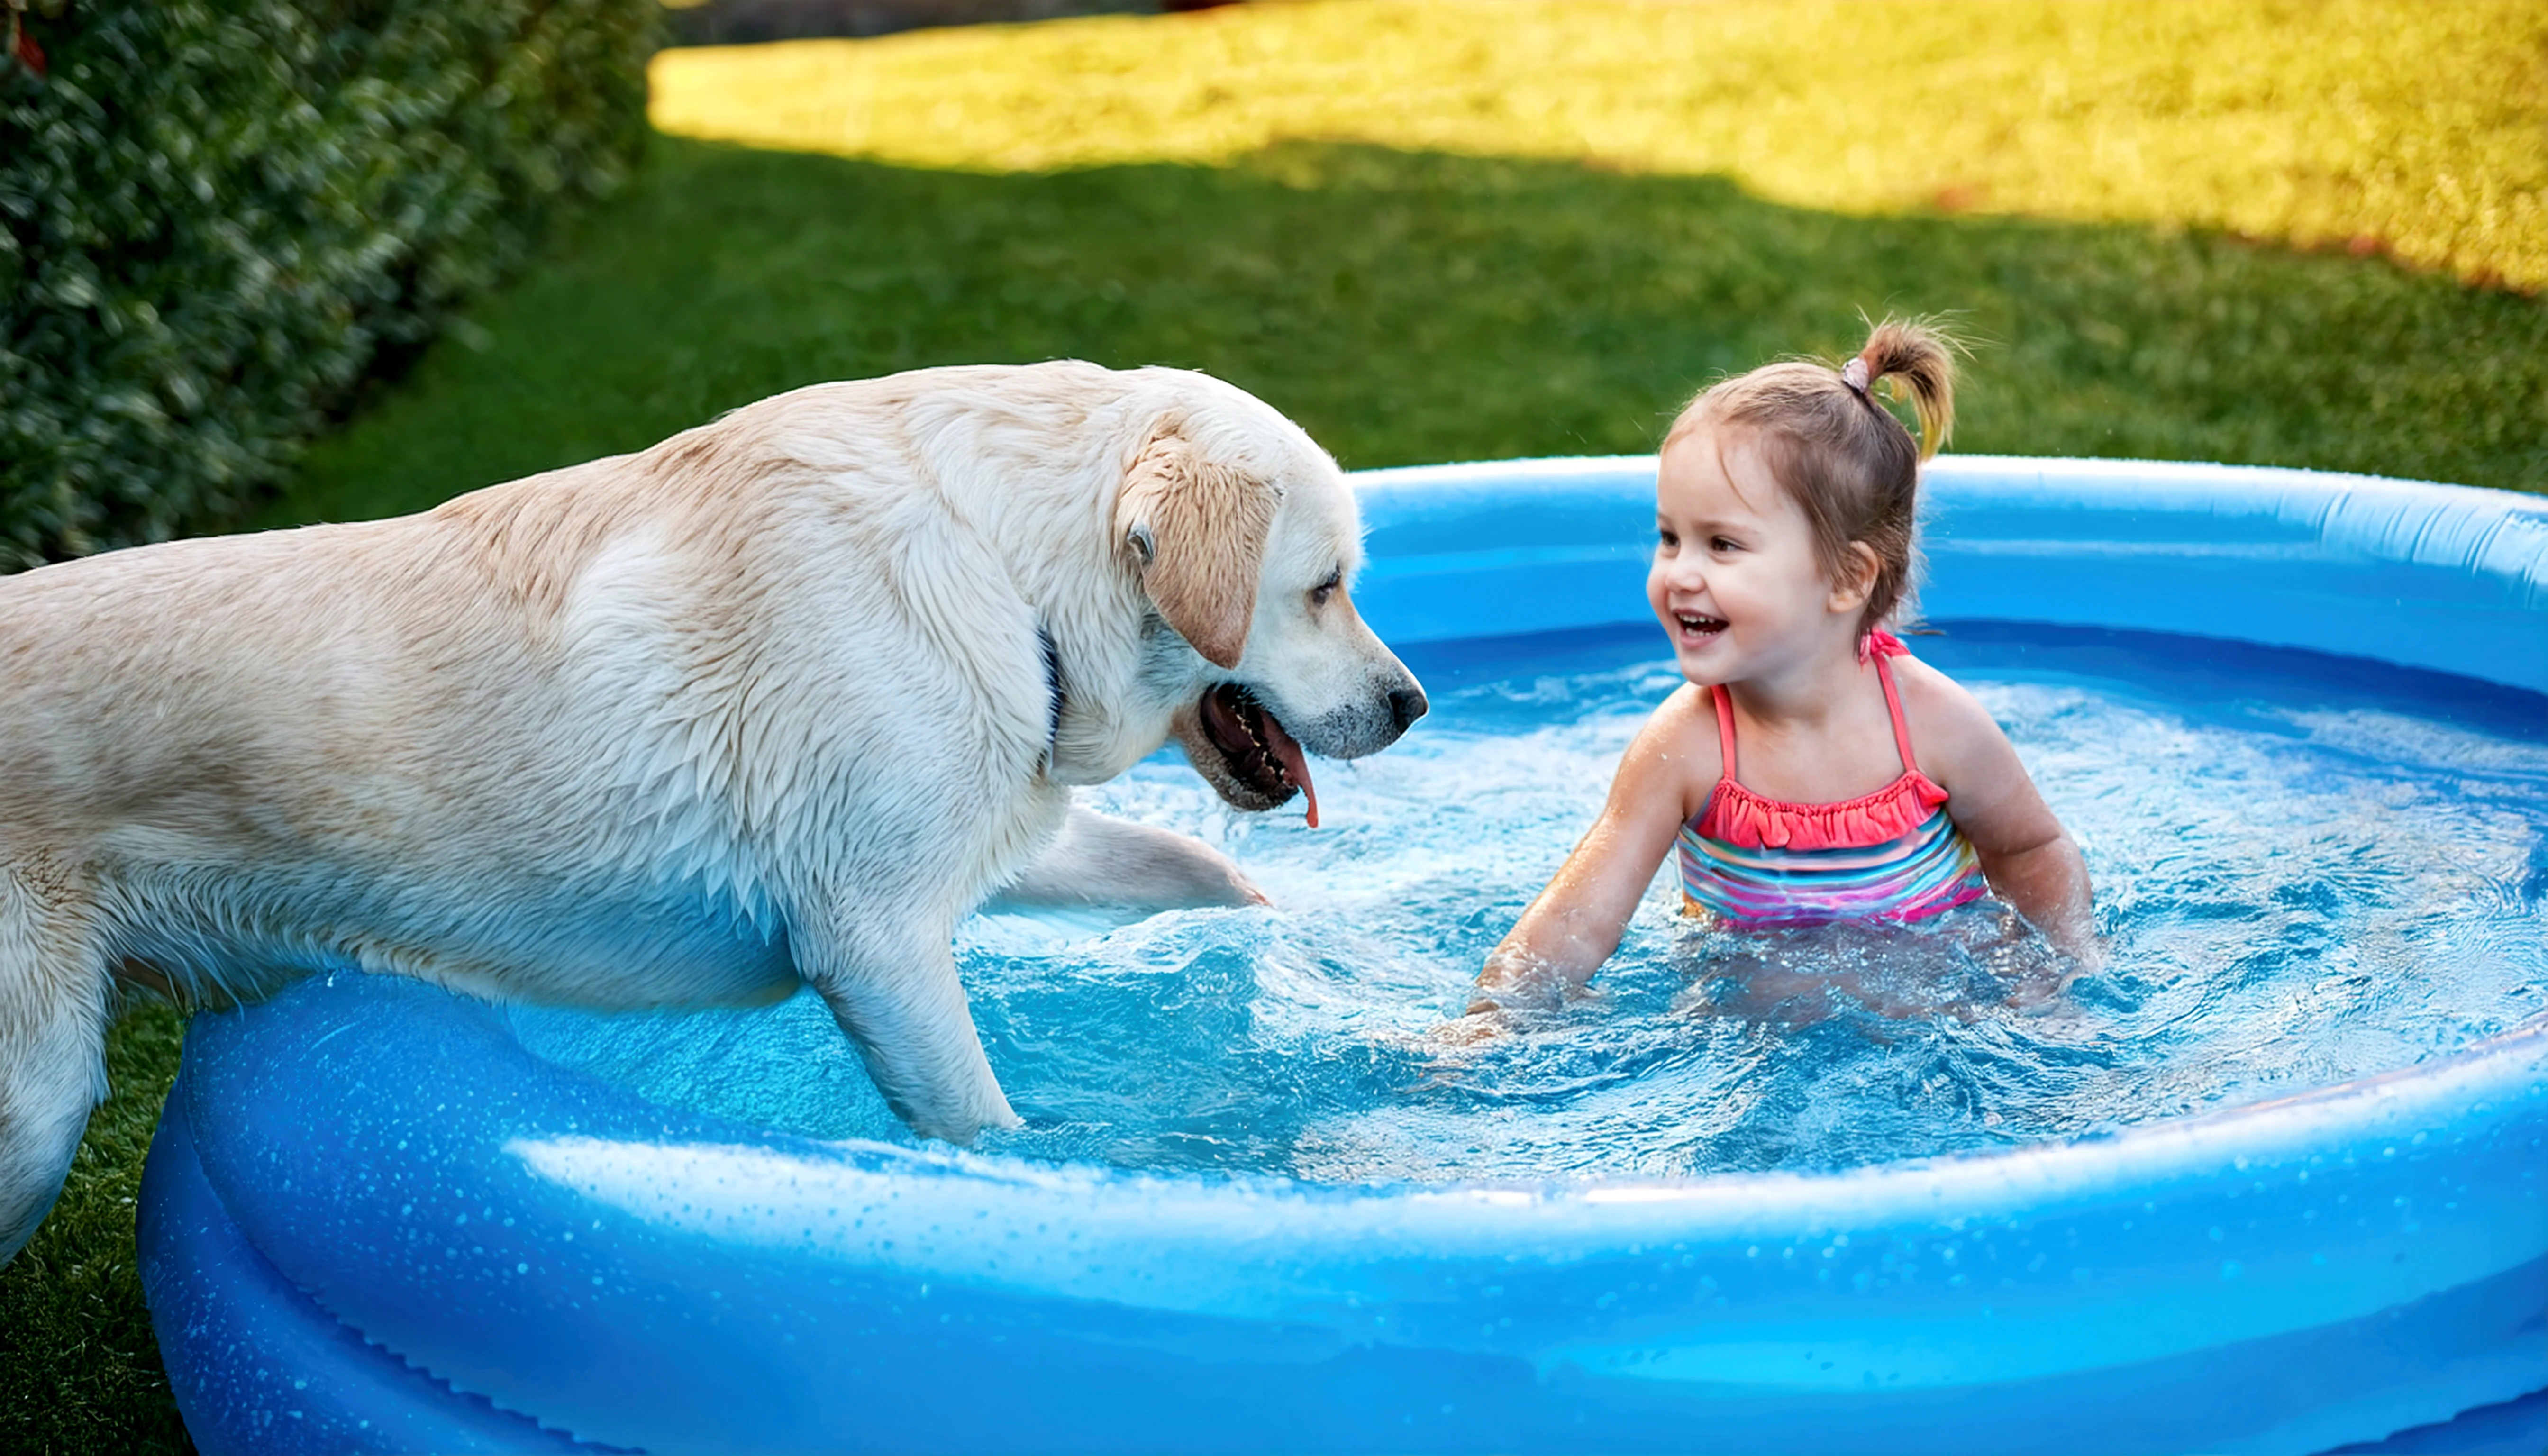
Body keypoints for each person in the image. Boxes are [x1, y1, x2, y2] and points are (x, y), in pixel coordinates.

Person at [1465, 319, 2093, 1020]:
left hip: (1940, 1022)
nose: (1680, 574)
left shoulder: (1934, 726)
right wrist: (1492, 1023)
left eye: (1723, 545)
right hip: (1748, 1046)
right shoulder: (1686, 749)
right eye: (1670, 538)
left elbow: (2032, 849)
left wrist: (2058, 981)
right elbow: (1577, 922)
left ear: (1847, 578)